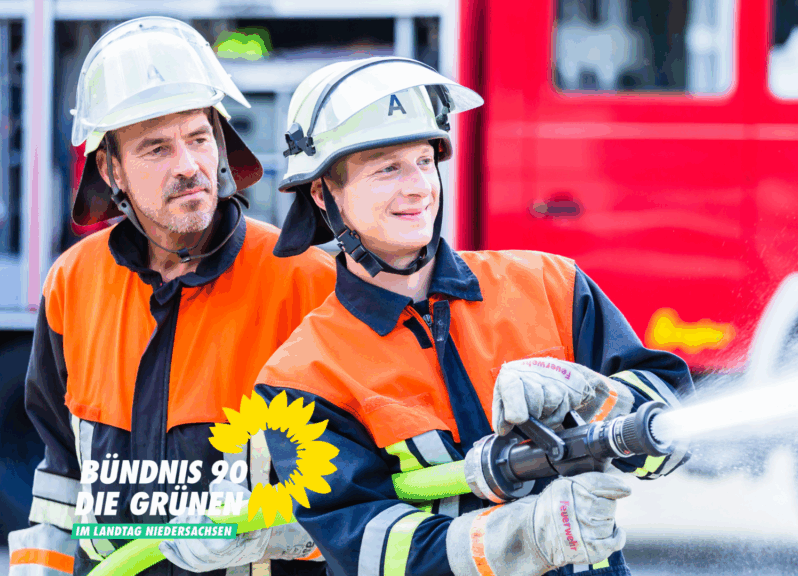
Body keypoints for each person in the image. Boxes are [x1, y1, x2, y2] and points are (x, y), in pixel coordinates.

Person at [254, 56, 695, 576]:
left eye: (423, 160)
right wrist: (524, 538)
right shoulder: (303, 377)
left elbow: (675, 439)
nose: (417, 186)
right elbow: (367, 551)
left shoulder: (550, 285)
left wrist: (594, 397)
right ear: (324, 193)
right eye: (387, 168)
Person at [7, 17, 338, 576]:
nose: (188, 166)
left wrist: (266, 537)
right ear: (110, 168)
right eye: (156, 148)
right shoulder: (73, 282)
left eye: (199, 138)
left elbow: (357, 489)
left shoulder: (304, 280)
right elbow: (61, 474)